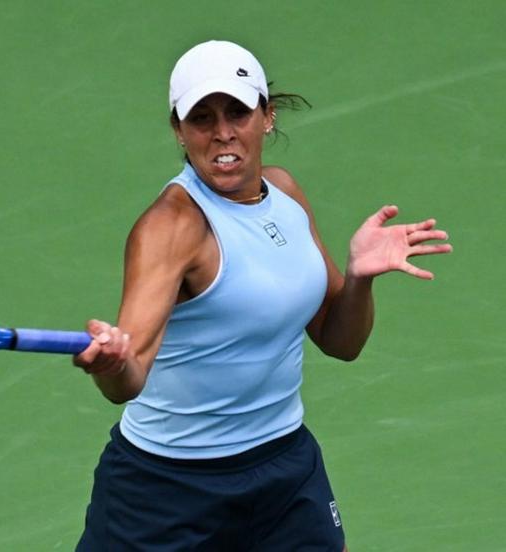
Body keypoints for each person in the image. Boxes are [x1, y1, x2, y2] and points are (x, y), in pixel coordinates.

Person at [72, 40, 452, 551]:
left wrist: (359, 277)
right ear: (179, 131)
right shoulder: (170, 227)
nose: (223, 132)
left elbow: (341, 341)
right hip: (166, 491)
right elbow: (129, 377)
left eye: (237, 112)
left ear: (266, 117)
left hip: (284, 475)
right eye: (201, 118)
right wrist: (112, 363)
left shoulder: (285, 194)